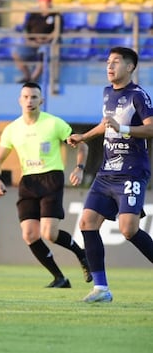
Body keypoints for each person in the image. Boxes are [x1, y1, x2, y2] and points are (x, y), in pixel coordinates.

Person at [67, 47, 153, 303]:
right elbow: (107, 124)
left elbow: (150, 129)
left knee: (128, 230)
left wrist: (124, 128)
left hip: (131, 173)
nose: (110, 66)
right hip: (106, 173)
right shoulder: (107, 93)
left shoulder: (139, 96)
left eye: (116, 62)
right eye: (108, 62)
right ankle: (101, 289)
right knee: (86, 223)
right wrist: (84, 136)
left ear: (130, 67)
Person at [0, 82, 91, 289]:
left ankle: (82, 255)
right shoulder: (12, 130)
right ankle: (60, 278)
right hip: (28, 181)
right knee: (29, 234)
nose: (29, 101)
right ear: (20, 100)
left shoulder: (54, 124)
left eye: (34, 97)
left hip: (51, 178)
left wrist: (79, 168)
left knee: (49, 234)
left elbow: (83, 145)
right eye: (26, 97)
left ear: (42, 101)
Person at [12, 0, 58, 84]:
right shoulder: (33, 14)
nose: (45, 4)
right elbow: (26, 29)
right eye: (43, 1)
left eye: (47, 1)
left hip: (46, 43)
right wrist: (29, 40)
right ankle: (27, 76)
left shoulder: (56, 15)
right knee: (16, 54)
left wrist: (45, 40)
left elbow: (56, 32)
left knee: (43, 54)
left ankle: (33, 80)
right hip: (32, 42)